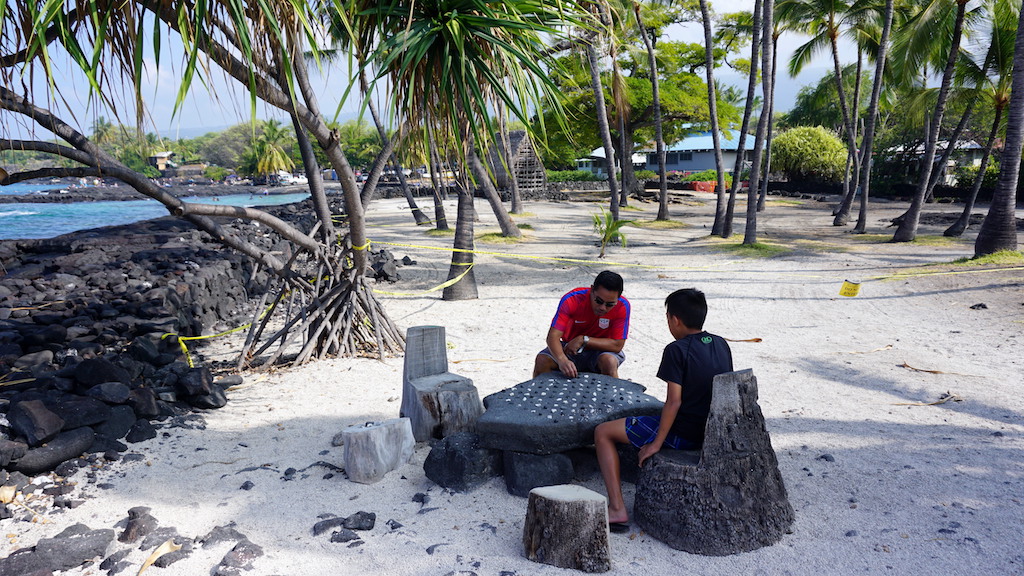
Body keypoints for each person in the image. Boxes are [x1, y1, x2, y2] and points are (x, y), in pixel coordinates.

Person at [593, 288, 733, 530]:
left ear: (675, 320)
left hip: (683, 434)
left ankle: (616, 508)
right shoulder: (721, 344)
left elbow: (674, 401)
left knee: (603, 432)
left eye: (668, 317)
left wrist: (657, 442)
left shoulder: (676, 350)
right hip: (709, 431)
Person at [533, 270, 630, 379]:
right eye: (598, 301)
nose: (603, 307)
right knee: (542, 360)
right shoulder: (572, 300)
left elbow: (617, 345)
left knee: (609, 361)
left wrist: (584, 340)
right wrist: (562, 360)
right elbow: (553, 337)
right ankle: (536, 395)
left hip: (601, 350)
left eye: (610, 304)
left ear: (618, 298)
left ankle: (612, 394)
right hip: (569, 347)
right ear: (592, 290)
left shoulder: (623, 306)